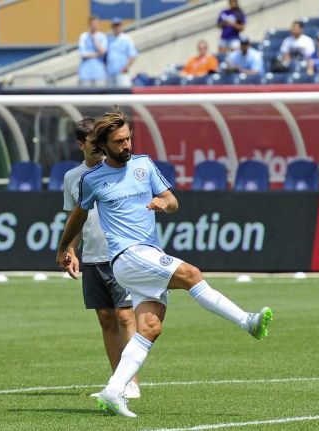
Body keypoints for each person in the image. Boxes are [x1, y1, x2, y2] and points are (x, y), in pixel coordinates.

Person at [56, 107, 273, 418]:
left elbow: (172, 202)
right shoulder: (92, 179)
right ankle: (247, 322)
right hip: (127, 256)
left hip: (145, 252)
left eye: (128, 139)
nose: (127, 145)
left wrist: (162, 203)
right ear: (103, 145)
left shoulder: (144, 165)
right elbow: (77, 217)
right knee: (191, 273)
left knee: (150, 327)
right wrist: (64, 248)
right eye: (119, 142)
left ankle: (114, 391)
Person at [63, 118, 140, 400]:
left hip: (122, 254)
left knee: (125, 315)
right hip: (93, 258)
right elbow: (75, 220)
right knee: (107, 320)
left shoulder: (123, 170)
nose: (98, 149)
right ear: (81, 145)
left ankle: (131, 382)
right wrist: (71, 250)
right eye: (92, 143)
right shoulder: (73, 178)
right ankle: (116, 381)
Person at [106, 18, 138, 87]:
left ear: (121, 26)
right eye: (115, 25)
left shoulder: (126, 38)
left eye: (118, 25)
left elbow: (133, 55)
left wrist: (126, 67)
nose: (116, 27)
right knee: (110, 95)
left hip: (121, 73)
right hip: (110, 73)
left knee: (123, 95)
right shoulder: (109, 38)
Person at [78, 16, 107, 87]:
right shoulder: (83, 36)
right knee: (86, 96)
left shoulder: (102, 36)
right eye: (92, 23)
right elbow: (83, 54)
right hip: (85, 73)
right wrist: (97, 54)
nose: (94, 25)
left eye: (96, 23)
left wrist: (94, 39)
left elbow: (103, 52)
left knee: (100, 96)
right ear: (89, 24)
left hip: (99, 73)